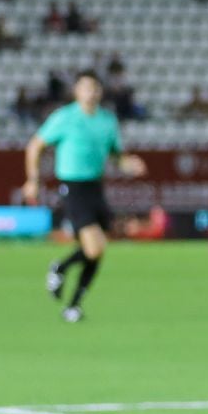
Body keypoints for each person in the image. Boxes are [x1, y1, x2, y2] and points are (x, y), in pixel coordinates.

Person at [23, 71, 147, 323]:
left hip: (95, 187)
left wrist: (129, 164)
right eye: (85, 87)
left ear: (100, 92)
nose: (91, 92)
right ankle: (61, 270)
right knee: (94, 246)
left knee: (97, 250)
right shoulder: (65, 118)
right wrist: (33, 180)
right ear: (77, 91)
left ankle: (73, 304)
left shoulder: (107, 121)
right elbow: (35, 145)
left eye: (95, 88)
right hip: (73, 187)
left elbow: (116, 155)